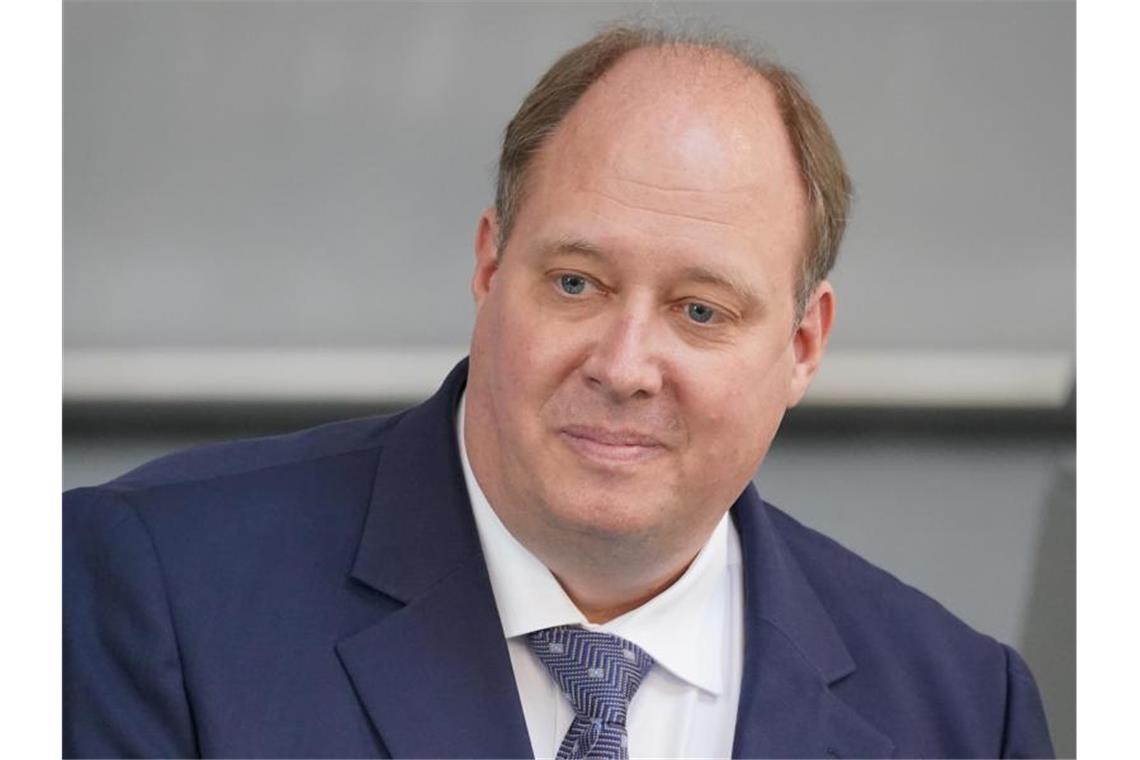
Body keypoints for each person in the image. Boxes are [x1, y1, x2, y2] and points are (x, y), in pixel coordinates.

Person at [63, 25, 1055, 759]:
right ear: (491, 268)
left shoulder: (964, 713)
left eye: (701, 311)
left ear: (803, 345)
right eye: (576, 283)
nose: (624, 366)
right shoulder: (148, 594)